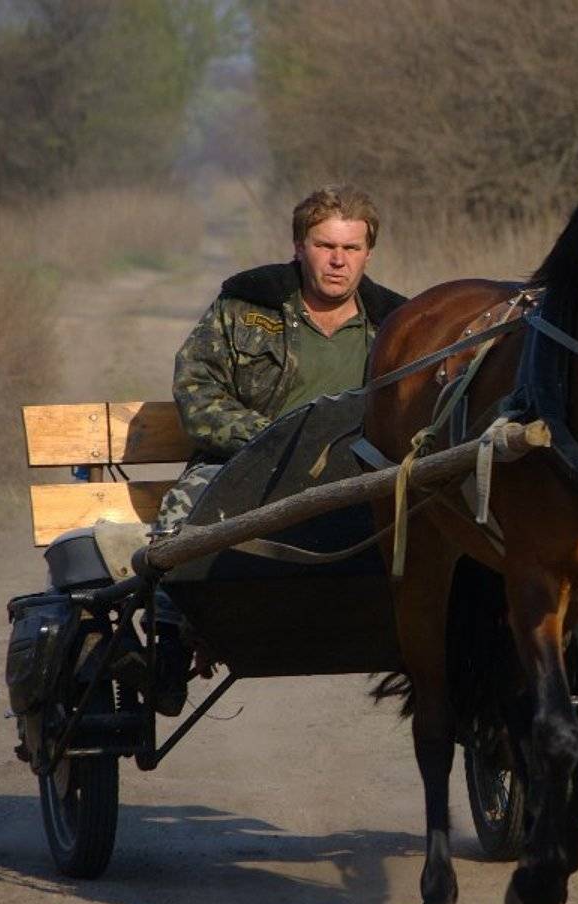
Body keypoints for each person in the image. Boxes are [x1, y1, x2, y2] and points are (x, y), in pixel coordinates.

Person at [148, 184, 408, 715]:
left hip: (360, 474)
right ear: (299, 246)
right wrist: (270, 441)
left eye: (351, 249)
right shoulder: (246, 307)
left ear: (368, 254)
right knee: (182, 518)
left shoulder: (398, 326)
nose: (338, 261)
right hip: (247, 465)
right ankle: (167, 648)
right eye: (324, 246)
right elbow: (197, 391)